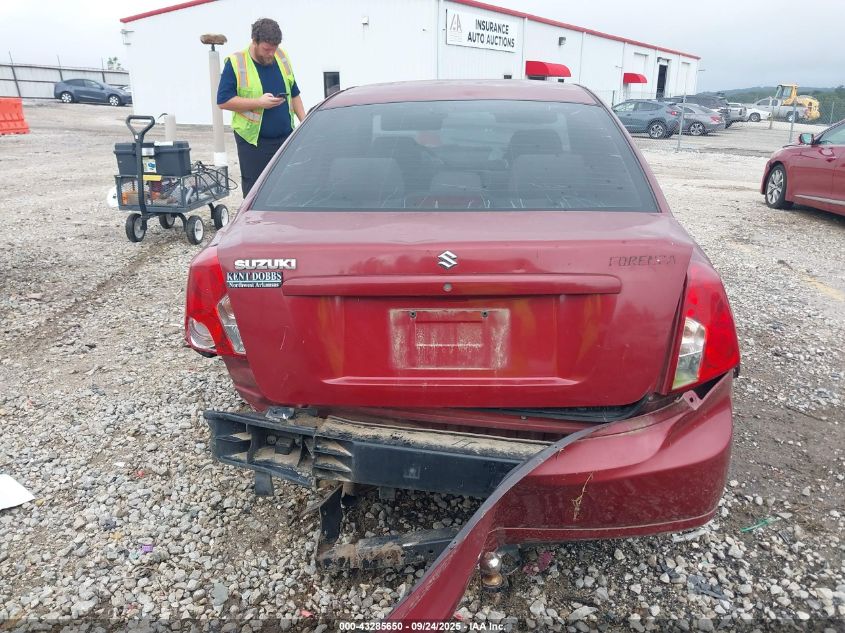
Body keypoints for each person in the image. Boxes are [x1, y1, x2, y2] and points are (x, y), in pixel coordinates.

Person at [217, 18, 306, 194]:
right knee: (256, 192)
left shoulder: (281, 56)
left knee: (286, 190)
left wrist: (304, 122)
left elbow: (294, 93)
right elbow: (223, 101)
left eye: (274, 48)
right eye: (266, 49)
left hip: (285, 138)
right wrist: (259, 102)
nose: (271, 54)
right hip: (254, 142)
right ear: (255, 41)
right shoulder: (236, 63)